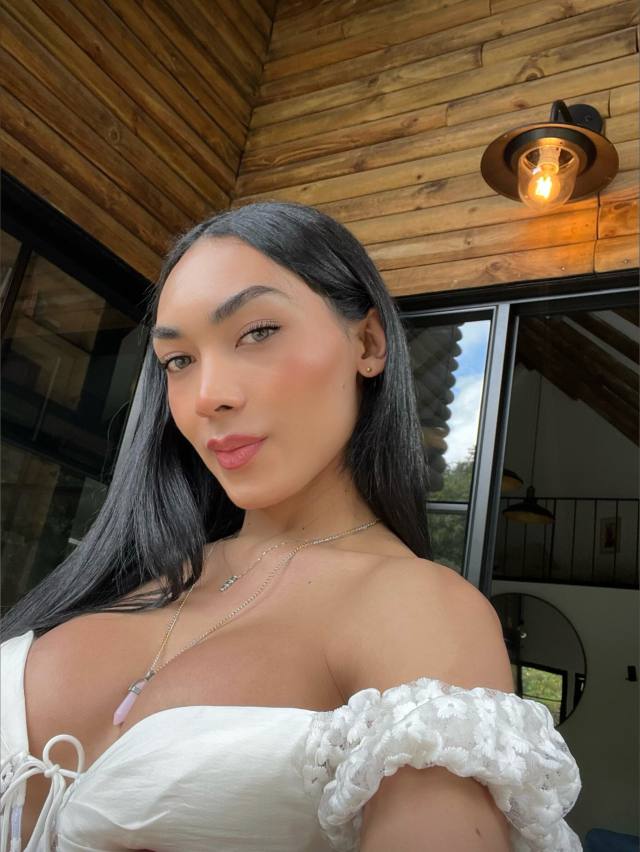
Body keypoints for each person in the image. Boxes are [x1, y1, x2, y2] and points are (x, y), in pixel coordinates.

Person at [0, 201, 582, 851]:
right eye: (178, 360)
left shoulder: (417, 611)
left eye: (257, 332)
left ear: (367, 344)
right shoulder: (136, 568)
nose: (208, 396)